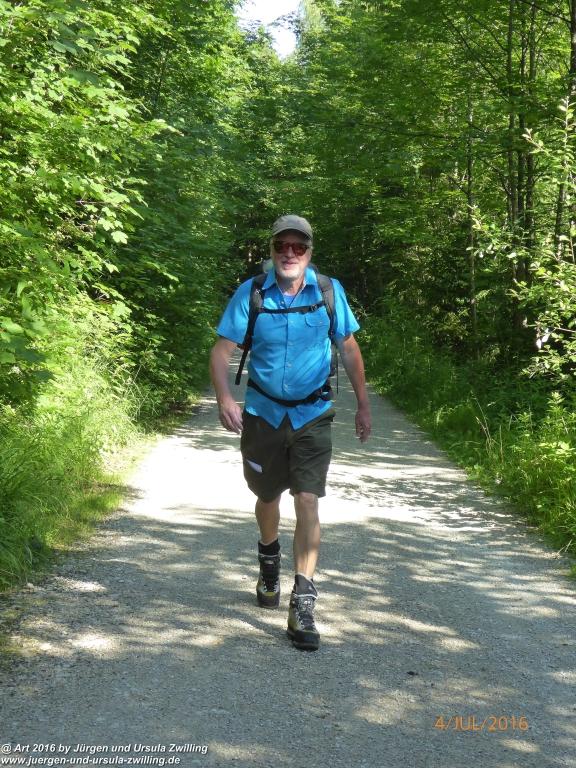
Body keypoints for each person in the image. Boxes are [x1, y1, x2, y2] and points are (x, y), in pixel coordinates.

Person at [209, 214, 371, 651]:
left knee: (307, 497)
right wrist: (226, 398)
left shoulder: (328, 293)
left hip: (313, 414)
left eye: (298, 247)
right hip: (262, 413)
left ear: (309, 252)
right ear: (273, 249)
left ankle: (302, 600)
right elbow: (222, 350)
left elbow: (349, 348)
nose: (289, 253)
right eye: (283, 245)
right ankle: (268, 559)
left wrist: (362, 403)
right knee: (266, 496)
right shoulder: (253, 293)